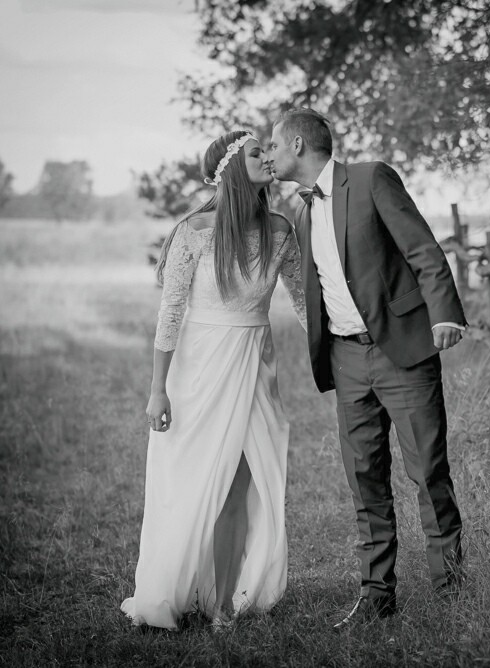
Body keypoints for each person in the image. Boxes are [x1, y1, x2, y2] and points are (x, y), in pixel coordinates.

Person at [269, 108, 467, 630]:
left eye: (274, 145)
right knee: (365, 480)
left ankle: (451, 596)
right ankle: (377, 598)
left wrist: (444, 314)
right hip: (346, 360)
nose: (270, 155)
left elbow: (422, 248)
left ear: (297, 144)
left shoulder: (370, 178)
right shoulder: (302, 212)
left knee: (428, 473)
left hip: (402, 351)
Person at [121, 130, 305, 631]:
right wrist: (157, 389)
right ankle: (177, 582)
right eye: (257, 152)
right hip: (200, 368)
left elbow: (304, 303)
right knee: (199, 481)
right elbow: (170, 312)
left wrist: (343, 347)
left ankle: (223, 603)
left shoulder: (280, 230)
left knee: (239, 484)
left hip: (255, 366)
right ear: (229, 169)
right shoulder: (195, 231)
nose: (269, 157)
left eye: (268, 149)